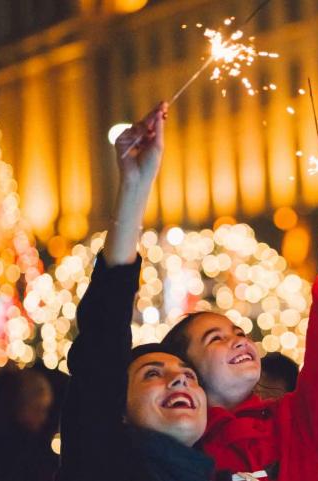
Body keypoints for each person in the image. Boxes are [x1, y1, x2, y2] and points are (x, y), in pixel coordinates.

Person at [58, 102, 213, 481]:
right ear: (118, 407)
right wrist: (134, 185)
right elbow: (104, 332)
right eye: (152, 374)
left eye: (190, 376)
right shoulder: (101, 465)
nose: (179, 380)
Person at [160, 216, 318, 481]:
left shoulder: (294, 422)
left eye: (239, 332)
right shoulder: (180, 451)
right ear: (188, 371)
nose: (239, 340)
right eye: (214, 338)